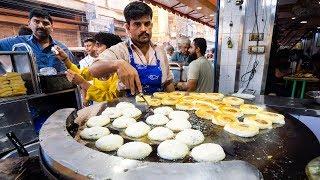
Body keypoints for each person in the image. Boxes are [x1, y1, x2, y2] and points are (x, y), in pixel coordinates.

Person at [89, 1, 174, 95]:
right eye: (137, 24)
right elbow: (93, 70)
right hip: (130, 107)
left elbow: (168, 82)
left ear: (151, 25)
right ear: (128, 27)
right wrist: (118, 64)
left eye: (147, 24)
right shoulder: (120, 50)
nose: (143, 29)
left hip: (158, 106)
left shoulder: (160, 51)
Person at [54, 32, 122, 103]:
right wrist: (65, 59)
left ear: (111, 49)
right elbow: (82, 73)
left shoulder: (119, 71)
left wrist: (83, 83)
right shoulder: (99, 66)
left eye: (98, 45)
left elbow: (112, 99)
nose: (94, 49)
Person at [0, 8, 75, 72]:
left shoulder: (63, 48)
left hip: (61, 88)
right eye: (36, 21)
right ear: (29, 23)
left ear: (52, 27)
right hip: (30, 88)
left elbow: (76, 70)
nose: (41, 26)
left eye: (45, 23)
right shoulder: (17, 43)